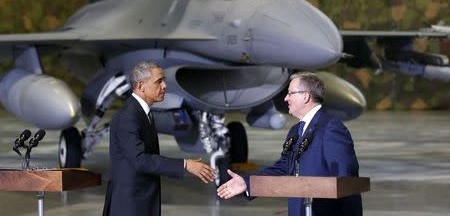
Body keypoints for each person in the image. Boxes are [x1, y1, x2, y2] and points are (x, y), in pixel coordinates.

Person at [217, 72, 362, 216]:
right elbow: (285, 167)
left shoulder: (331, 128)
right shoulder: (296, 130)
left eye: (290, 93)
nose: (286, 98)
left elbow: (345, 180)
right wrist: (247, 184)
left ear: (305, 97)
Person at [103, 61, 215, 216]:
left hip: (142, 202)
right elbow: (141, 160)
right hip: (129, 206)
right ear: (141, 86)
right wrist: (185, 165)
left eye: (163, 81)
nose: (164, 86)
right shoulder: (128, 116)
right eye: (158, 82)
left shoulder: (142, 112)